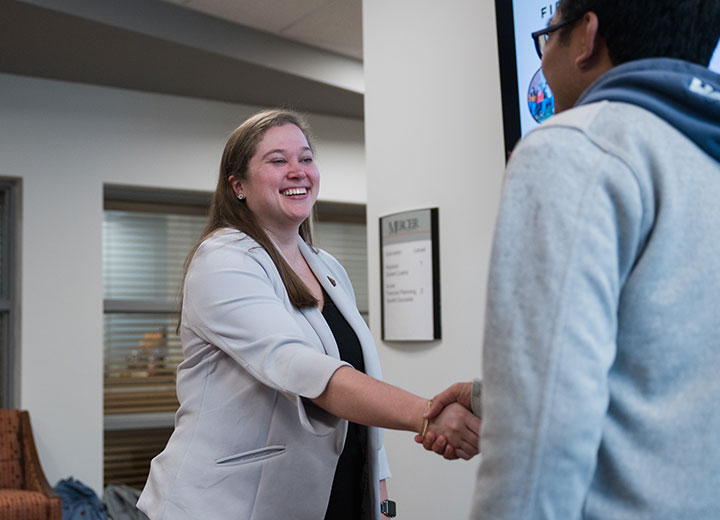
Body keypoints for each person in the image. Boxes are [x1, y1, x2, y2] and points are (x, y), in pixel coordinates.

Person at [465, 0, 720, 518]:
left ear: (586, 37)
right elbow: (682, 370)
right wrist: (486, 397)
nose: (543, 60)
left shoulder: (572, 148)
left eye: (548, 37)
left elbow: (544, 425)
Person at [136, 109, 481, 520]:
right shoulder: (222, 260)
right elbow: (303, 369)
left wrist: (380, 492)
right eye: (278, 161)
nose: (298, 171)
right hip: (226, 504)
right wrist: (428, 415)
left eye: (306, 158)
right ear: (238, 185)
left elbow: (359, 379)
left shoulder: (327, 267)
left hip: (333, 494)